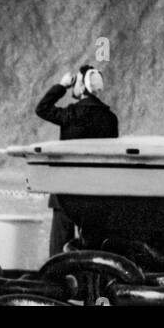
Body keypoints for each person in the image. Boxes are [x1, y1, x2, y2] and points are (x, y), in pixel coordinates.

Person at [34, 64, 118, 253]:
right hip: (96, 191)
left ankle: (58, 268)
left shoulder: (71, 114)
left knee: (59, 243)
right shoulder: (110, 118)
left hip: (65, 189)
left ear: (82, 86)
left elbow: (42, 108)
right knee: (92, 245)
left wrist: (62, 86)